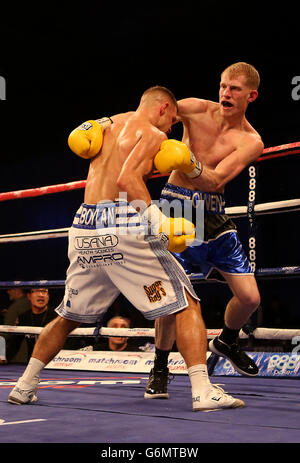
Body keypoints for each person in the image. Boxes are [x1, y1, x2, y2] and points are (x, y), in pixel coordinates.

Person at [8, 85, 244, 411]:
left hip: (84, 227)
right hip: (122, 222)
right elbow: (127, 180)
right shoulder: (152, 134)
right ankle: (204, 391)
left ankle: (24, 385)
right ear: (162, 108)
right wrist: (158, 222)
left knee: (67, 316)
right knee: (186, 303)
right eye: (172, 120)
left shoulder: (108, 123)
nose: (172, 128)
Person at [145, 63, 264, 399]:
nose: (225, 93)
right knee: (173, 298)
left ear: (251, 95)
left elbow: (215, 180)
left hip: (213, 214)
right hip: (176, 208)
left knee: (250, 297)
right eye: (223, 86)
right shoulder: (196, 109)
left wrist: (185, 160)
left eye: (235, 89)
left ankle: (227, 339)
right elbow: (154, 111)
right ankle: (160, 367)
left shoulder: (251, 141)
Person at [5, 288, 57, 363]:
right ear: (29, 296)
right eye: (37, 291)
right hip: (31, 364)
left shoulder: (57, 317)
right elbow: (15, 343)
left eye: (44, 291)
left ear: (48, 296)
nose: (41, 295)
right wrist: (4, 357)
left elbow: (68, 343)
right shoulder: (24, 317)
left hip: (56, 363)